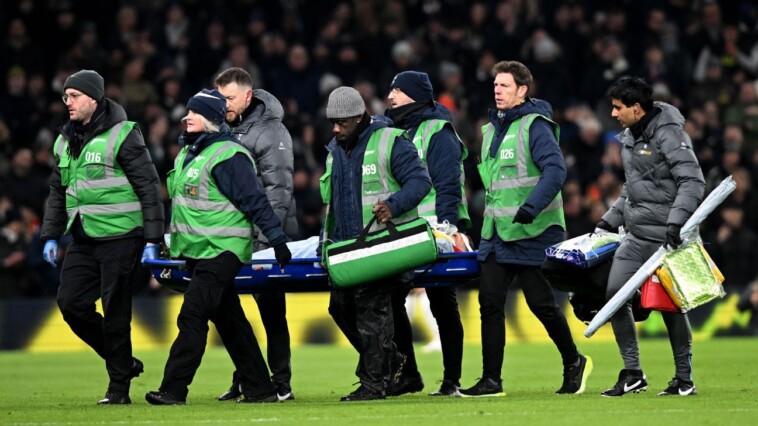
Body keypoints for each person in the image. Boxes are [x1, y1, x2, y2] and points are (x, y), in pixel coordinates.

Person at [145, 89, 293, 405]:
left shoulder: (229, 155)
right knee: (231, 323)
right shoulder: (187, 154)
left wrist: (276, 239)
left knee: (192, 316)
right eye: (187, 112)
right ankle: (261, 389)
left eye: (194, 113)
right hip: (197, 251)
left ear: (211, 119)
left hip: (222, 251)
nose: (187, 117)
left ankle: (173, 389)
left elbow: (254, 200)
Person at [460, 60, 592, 397]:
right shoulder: (489, 130)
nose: (497, 90)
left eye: (504, 85)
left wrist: (531, 207)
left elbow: (555, 171)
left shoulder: (536, 125)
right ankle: (491, 380)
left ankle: (573, 360)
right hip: (496, 231)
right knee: (489, 303)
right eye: (495, 85)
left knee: (541, 304)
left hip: (532, 230)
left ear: (522, 90)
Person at [40, 69, 164, 404]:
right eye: (65, 96)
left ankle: (118, 390)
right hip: (83, 239)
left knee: (115, 311)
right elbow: (57, 191)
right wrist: (50, 235)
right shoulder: (65, 140)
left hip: (122, 236)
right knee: (70, 304)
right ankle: (123, 362)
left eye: (75, 96)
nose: (68, 102)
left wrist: (153, 240)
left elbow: (149, 189)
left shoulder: (123, 135)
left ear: (94, 98)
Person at [320, 86, 431, 401]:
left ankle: (374, 384)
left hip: (383, 247)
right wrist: (325, 246)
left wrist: (393, 205)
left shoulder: (390, 140)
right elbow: (333, 205)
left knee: (371, 314)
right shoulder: (337, 150)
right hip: (347, 249)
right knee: (340, 308)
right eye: (332, 122)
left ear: (358, 117)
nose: (335, 129)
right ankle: (390, 360)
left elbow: (421, 182)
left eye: (341, 123)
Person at [596, 76, 705, 397]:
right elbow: (634, 188)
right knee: (614, 297)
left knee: (671, 307)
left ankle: (684, 379)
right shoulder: (630, 137)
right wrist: (608, 220)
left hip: (668, 239)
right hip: (636, 235)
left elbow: (693, 181)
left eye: (618, 108)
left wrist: (676, 222)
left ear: (637, 108)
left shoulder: (671, 135)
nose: (614, 114)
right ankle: (633, 373)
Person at [383, 71, 470, 397]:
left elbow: (448, 183)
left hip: (435, 230)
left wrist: (447, 228)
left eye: (398, 90)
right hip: (403, 232)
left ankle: (452, 381)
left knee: (443, 304)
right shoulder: (394, 130)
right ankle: (410, 375)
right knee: (393, 301)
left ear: (415, 95)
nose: (390, 95)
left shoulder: (438, 131)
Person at [213, 67, 298, 402]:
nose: (224, 105)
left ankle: (281, 382)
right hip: (231, 237)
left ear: (248, 96)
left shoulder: (271, 130)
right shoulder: (222, 130)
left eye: (230, 98)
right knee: (230, 311)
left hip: (264, 239)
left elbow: (278, 191)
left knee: (271, 311)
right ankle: (247, 376)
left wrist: (268, 240)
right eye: (220, 99)